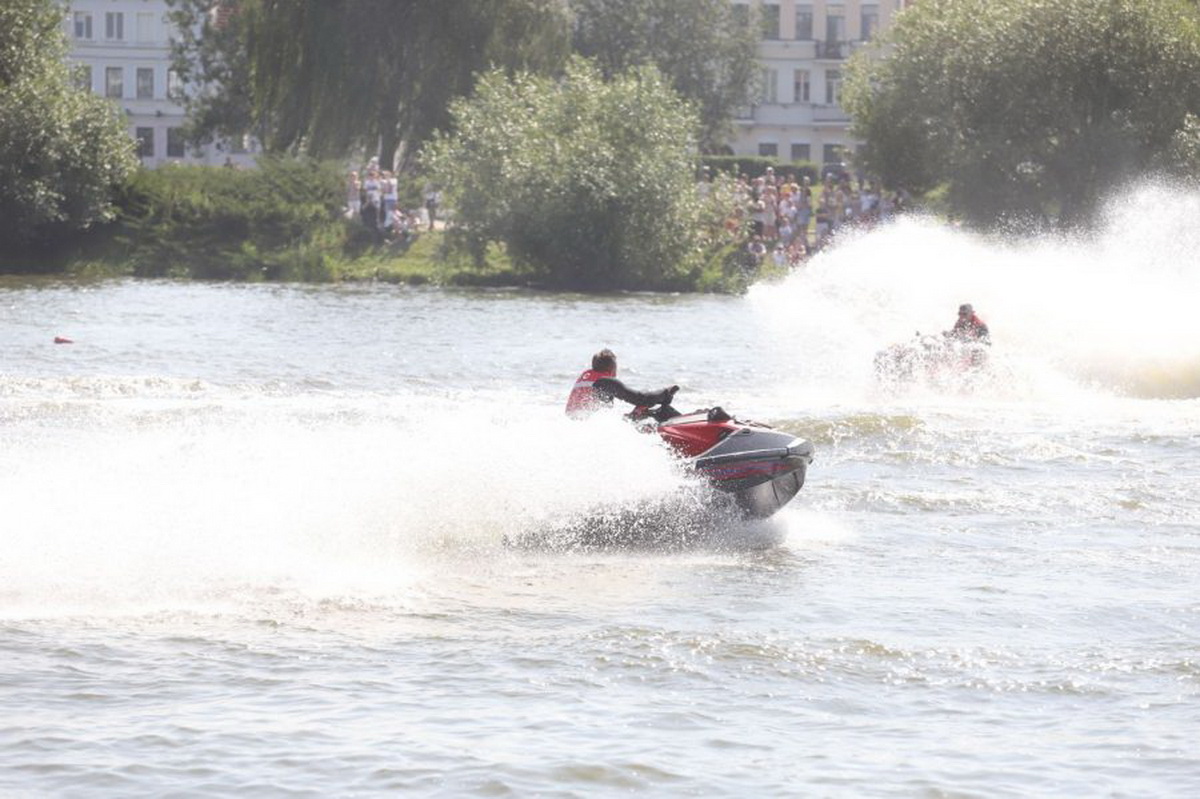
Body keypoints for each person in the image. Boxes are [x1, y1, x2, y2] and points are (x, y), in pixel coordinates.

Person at [565, 348, 678, 419]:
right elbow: (641, 398)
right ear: (612, 369)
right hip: (588, 426)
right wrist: (665, 393)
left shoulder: (586, 377)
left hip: (576, 424)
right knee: (661, 410)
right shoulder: (604, 381)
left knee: (643, 413)